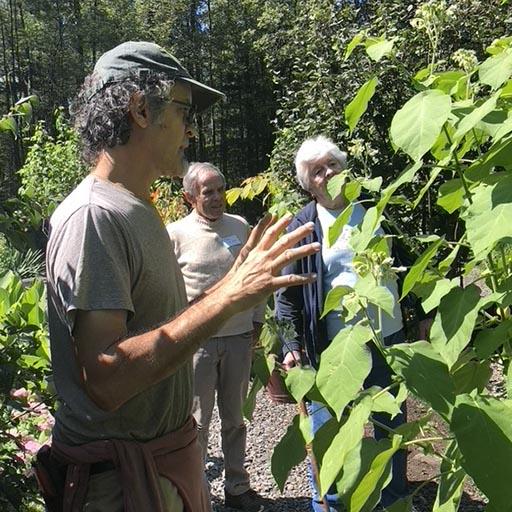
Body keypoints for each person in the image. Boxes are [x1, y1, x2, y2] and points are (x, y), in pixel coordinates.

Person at [40, 41, 320, 512]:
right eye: (184, 110)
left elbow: (155, 323)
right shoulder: (94, 216)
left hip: (157, 470)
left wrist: (225, 295)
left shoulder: (137, 208)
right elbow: (105, 381)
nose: (190, 130)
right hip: (119, 487)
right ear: (140, 110)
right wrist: (227, 297)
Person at [275, 135, 427, 511]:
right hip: (332, 350)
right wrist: (291, 344)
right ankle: (328, 502)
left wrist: (422, 314)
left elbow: (408, 265)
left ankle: (390, 499)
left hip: (386, 341)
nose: (328, 174)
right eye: (317, 171)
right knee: (327, 431)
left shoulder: (374, 209)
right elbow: (285, 295)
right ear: (307, 183)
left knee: (390, 426)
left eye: (332, 165)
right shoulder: (304, 226)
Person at [167, 162, 266, 512]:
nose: (216, 198)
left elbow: (255, 275)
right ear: (189, 196)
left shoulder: (240, 226)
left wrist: (257, 319)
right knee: (196, 423)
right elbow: (166, 290)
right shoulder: (175, 234)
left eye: (220, 189)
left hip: (239, 338)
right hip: (198, 343)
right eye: (207, 191)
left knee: (236, 419)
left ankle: (237, 488)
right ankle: (197, 495)